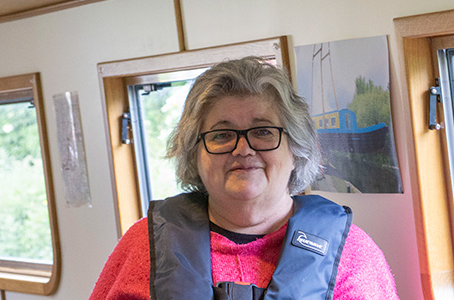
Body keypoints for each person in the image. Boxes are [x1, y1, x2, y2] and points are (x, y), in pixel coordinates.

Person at [90, 57, 399, 299]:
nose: (243, 149)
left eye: (263, 131)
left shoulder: (352, 254)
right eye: (222, 134)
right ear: (195, 154)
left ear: (297, 148)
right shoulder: (143, 247)